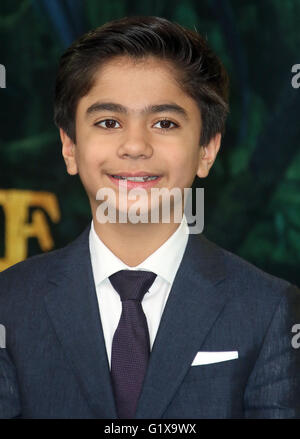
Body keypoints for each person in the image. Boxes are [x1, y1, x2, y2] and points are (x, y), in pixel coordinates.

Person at [0, 16, 299, 419]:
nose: (135, 145)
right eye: (109, 122)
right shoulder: (11, 302)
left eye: (164, 123)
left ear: (207, 149)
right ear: (69, 146)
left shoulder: (269, 308)